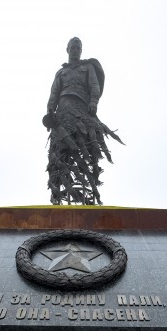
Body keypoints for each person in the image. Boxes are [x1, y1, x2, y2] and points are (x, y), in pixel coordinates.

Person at [44, 37, 123, 205]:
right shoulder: (61, 73)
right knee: (60, 154)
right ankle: (58, 196)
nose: (75, 50)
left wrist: (93, 102)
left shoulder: (88, 67)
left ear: (81, 51)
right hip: (62, 112)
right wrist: (50, 113)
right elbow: (53, 94)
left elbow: (95, 86)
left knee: (89, 146)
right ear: (67, 49)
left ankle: (92, 191)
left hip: (82, 111)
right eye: (72, 47)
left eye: (78, 48)